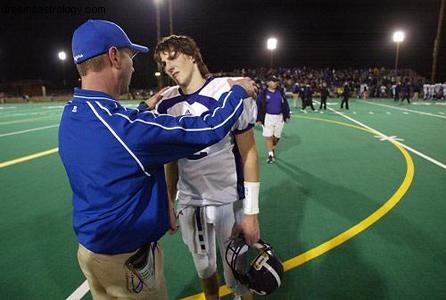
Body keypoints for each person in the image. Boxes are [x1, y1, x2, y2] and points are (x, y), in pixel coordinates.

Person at [58, 20, 258, 300]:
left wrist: (142, 109)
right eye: (130, 56)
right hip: (127, 259)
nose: (133, 66)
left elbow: (119, 132)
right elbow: (208, 129)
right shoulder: (126, 129)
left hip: (91, 251)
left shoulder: (73, 112)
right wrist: (238, 91)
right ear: (114, 56)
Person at [153, 35, 261, 300]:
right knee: (204, 268)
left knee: (236, 275)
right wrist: (169, 198)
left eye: (173, 57)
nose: (168, 66)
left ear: (192, 55)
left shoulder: (228, 89)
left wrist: (251, 212)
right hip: (191, 200)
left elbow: (249, 154)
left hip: (228, 198)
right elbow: (171, 158)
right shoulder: (166, 102)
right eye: (164, 62)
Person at [256, 75, 291, 164]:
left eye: (276, 81)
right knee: (268, 137)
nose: (275, 83)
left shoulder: (280, 92)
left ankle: (272, 147)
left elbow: (285, 104)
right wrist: (259, 119)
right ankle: (270, 155)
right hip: (268, 117)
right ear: (268, 82)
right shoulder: (263, 94)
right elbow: (258, 107)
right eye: (273, 81)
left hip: (279, 117)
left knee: (277, 137)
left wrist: (287, 115)